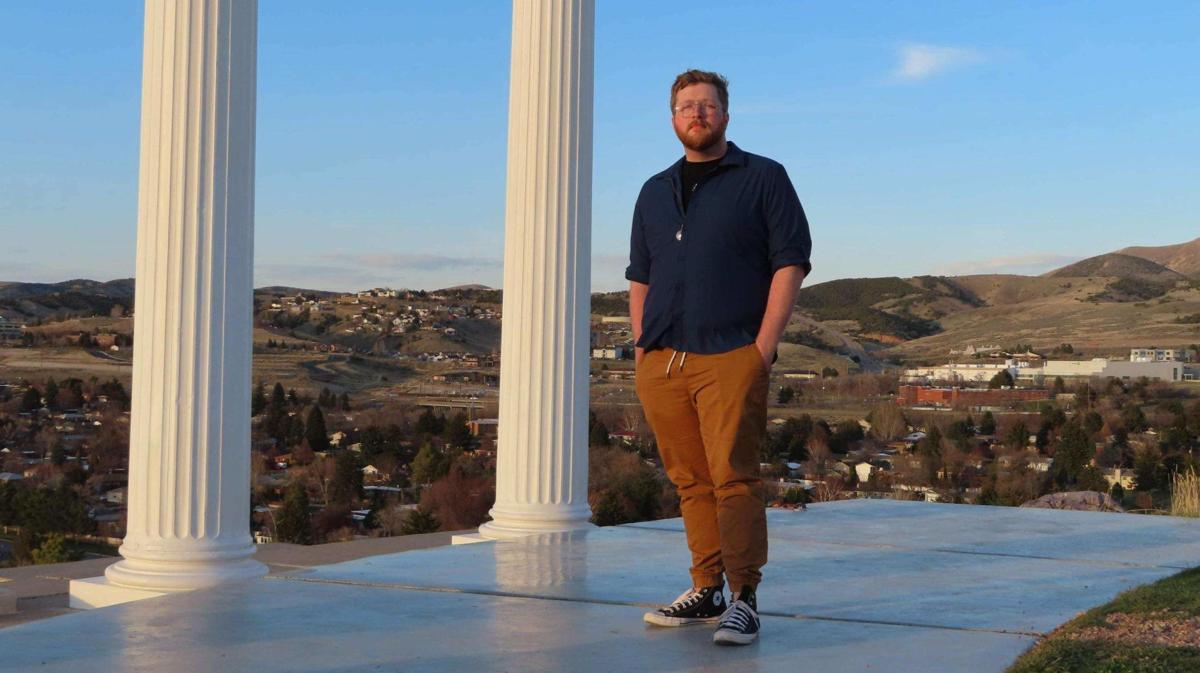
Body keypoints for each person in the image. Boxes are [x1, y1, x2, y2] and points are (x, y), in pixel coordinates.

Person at [627, 69, 811, 646]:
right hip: (664, 361)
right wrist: (642, 347)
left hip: (733, 352)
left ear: (725, 115)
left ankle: (744, 598)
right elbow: (640, 275)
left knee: (733, 478)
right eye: (687, 106)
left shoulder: (763, 177)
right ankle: (706, 589)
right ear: (672, 118)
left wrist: (762, 348)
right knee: (690, 481)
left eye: (707, 105)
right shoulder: (653, 191)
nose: (697, 114)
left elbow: (790, 261)